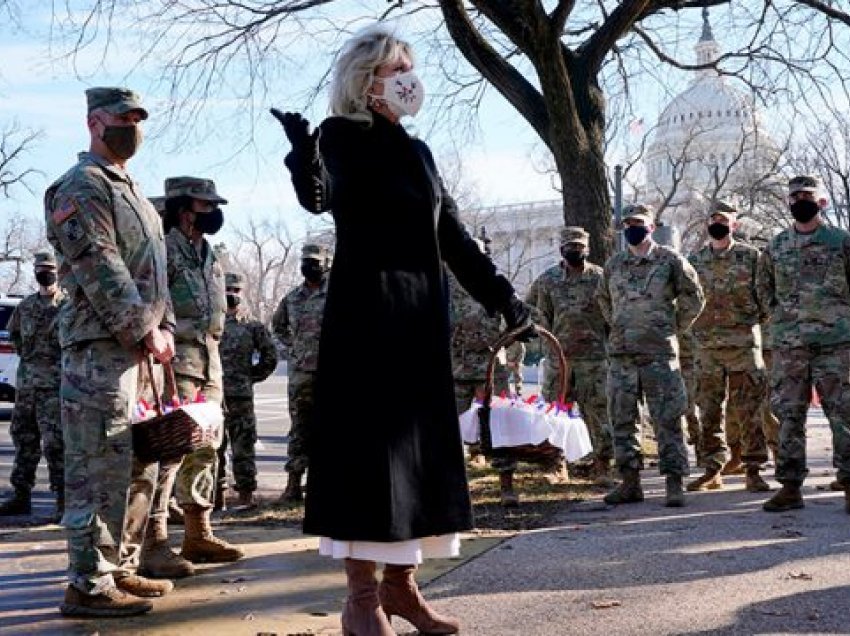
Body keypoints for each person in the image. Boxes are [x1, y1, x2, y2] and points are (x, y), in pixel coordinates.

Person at [272, 26, 533, 636]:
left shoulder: (418, 151)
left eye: (411, 66)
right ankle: (360, 600)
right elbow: (321, 199)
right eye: (398, 67)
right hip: (366, 320)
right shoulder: (340, 137)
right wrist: (302, 156)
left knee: (416, 461)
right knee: (369, 458)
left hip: (420, 322)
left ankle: (403, 591)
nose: (410, 77)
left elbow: (454, 238)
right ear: (367, 82)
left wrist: (504, 298)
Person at [45, 86, 175, 616]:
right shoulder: (80, 185)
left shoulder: (131, 190)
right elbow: (100, 265)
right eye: (125, 118)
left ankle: (119, 566)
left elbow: (154, 272)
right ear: (95, 122)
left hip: (137, 350)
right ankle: (87, 583)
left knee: (135, 462)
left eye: (139, 118)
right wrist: (146, 328)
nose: (134, 127)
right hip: (100, 350)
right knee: (96, 465)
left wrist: (161, 325)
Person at [138, 176, 243, 580]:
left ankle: (198, 533)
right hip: (172, 364)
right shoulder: (161, 251)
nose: (215, 213)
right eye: (207, 206)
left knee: (205, 448)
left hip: (208, 362)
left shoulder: (209, 254)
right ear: (185, 209)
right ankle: (155, 542)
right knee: (167, 453)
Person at [597, 204, 705, 508]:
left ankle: (674, 482)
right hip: (621, 355)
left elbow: (694, 297)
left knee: (668, 418)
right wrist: (620, 326)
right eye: (628, 223)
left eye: (639, 222)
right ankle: (630, 482)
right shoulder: (614, 265)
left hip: (659, 353)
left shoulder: (670, 260)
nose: (633, 227)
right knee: (622, 418)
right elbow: (603, 300)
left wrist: (671, 327)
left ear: (652, 226)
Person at [762, 175, 850, 514]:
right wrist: (784, 327)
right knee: (788, 415)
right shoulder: (777, 245)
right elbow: (764, 291)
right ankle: (789, 486)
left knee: (843, 413)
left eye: (807, 195)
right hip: (790, 346)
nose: (800, 200)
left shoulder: (840, 242)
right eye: (795, 196)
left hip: (835, 345)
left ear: (821, 202)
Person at [686, 202, 771, 493]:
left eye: (724, 220)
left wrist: (747, 323)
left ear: (734, 225)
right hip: (706, 348)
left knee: (749, 409)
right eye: (714, 219)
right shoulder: (694, 262)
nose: (718, 224)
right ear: (707, 224)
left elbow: (766, 298)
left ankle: (754, 469)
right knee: (708, 410)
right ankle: (712, 468)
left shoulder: (751, 257)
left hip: (743, 346)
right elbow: (686, 304)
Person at [526, 226, 614, 485]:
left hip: (595, 360)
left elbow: (612, 314)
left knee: (599, 413)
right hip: (559, 360)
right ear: (561, 249)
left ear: (587, 248)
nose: (575, 250)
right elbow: (535, 312)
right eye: (570, 246)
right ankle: (556, 465)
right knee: (554, 412)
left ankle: (602, 465)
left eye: (579, 246)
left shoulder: (601, 277)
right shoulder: (547, 280)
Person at [447, 238, 518, 506]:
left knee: (499, 426)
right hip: (455, 368)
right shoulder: (446, 283)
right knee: (450, 432)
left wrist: (503, 342)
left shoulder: (494, 284)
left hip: (491, 369)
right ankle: (454, 491)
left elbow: (519, 319)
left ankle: (507, 485)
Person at [0, 251, 66, 519]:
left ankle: (63, 500)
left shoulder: (67, 306)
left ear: (58, 271)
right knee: (24, 440)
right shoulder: (25, 307)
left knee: (56, 444)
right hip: (26, 387)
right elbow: (15, 336)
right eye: (40, 268)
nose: (44, 272)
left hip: (55, 387)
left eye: (49, 268)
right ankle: (20, 496)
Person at [272, 243, 330, 503]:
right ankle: (293, 483)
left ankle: (325, 486)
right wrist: (294, 348)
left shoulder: (339, 293)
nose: (310, 266)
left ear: (327, 264)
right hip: (301, 375)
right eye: (306, 261)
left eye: (315, 262)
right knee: (299, 429)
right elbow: (278, 326)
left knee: (331, 429)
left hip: (332, 374)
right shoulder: (293, 298)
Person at [216, 272, 278, 509]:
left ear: (242, 293)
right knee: (213, 449)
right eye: (227, 289)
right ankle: (215, 498)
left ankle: (245, 496)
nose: (231, 294)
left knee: (243, 446)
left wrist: (252, 376)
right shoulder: (211, 320)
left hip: (240, 396)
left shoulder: (253, 326)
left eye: (235, 290)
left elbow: (270, 356)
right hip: (213, 396)